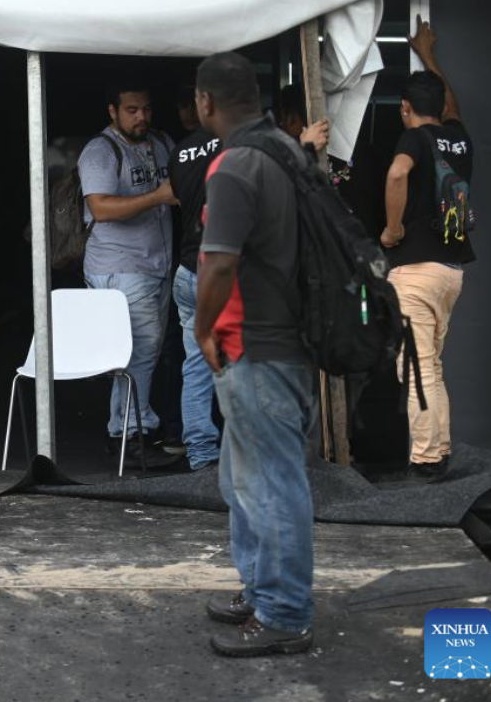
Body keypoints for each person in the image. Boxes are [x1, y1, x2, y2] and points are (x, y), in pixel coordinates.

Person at [193, 52, 316, 656]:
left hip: (256, 346)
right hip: (283, 340)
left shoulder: (237, 165)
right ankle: (262, 589)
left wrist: (202, 327)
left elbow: (220, 261)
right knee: (245, 481)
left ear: (205, 103)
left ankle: (286, 613)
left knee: (270, 485)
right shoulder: (287, 151)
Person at [380, 17, 473, 482]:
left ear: (404, 109)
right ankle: (439, 451)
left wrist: (392, 230)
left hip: (416, 268)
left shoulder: (413, 137)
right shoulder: (459, 137)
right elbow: (449, 103)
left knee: (415, 369)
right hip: (452, 270)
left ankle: (425, 460)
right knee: (431, 366)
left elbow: (397, 174)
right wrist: (430, 57)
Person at [78, 83, 179, 457]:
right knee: (137, 349)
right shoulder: (100, 151)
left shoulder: (161, 142)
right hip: (119, 266)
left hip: (157, 263)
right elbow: (101, 208)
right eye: (132, 110)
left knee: (147, 349)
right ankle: (128, 431)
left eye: (147, 109)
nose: (142, 117)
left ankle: (132, 426)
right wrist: (158, 196)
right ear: (113, 111)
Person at [167, 102, 222, 471]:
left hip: (186, 272)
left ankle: (201, 453)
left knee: (197, 365)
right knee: (243, 363)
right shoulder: (239, 146)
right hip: (220, 272)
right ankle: (247, 453)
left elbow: (180, 199)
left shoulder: (180, 152)